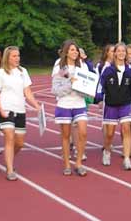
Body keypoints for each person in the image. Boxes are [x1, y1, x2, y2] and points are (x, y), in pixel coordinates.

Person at [0, 46, 40, 181]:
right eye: (14, 56)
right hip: (6, 109)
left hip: (20, 110)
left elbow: (28, 92)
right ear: (7, 57)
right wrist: (0, 109)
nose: (17, 58)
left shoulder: (23, 71)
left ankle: (9, 157)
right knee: (9, 136)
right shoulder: (1, 73)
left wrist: (36, 105)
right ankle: (9, 169)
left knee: (19, 143)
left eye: (18, 55)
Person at [95, 42, 131, 170]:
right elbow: (101, 84)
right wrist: (100, 98)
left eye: (124, 51)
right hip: (111, 105)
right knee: (110, 133)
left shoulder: (129, 70)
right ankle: (107, 151)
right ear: (115, 53)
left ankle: (127, 158)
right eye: (119, 51)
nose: (121, 53)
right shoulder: (108, 70)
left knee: (126, 129)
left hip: (125, 104)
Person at [52, 39, 88, 176]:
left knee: (83, 132)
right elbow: (55, 90)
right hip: (65, 104)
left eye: (76, 49)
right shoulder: (61, 68)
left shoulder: (82, 67)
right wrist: (70, 84)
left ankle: (78, 163)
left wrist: (84, 88)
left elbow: (87, 87)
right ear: (66, 52)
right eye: (72, 49)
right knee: (66, 136)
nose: (75, 52)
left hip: (79, 103)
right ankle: (67, 164)